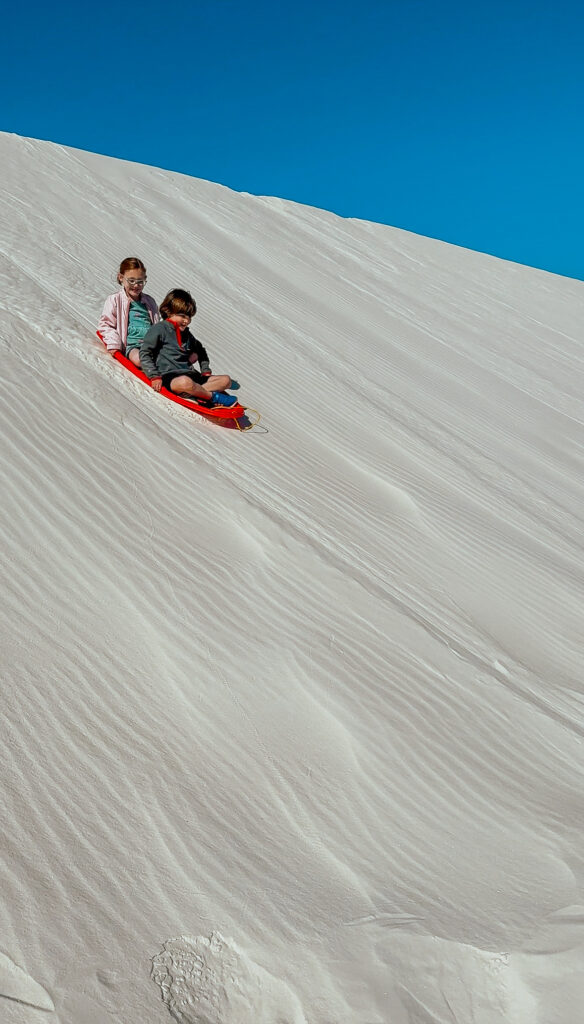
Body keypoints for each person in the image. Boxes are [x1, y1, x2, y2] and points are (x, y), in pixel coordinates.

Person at [140, 289, 237, 407]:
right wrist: (154, 376)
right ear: (168, 311)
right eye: (182, 316)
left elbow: (200, 350)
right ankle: (213, 397)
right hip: (169, 377)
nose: (187, 321)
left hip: (190, 375)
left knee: (226, 380)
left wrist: (205, 370)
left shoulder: (187, 334)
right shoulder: (159, 329)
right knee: (185, 382)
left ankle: (192, 393)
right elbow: (145, 352)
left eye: (189, 317)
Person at [98, 257, 160, 366]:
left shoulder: (149, 302)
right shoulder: (115, 299)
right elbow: (106, 324)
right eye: (131, 280)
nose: (136, 285)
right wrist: (114, 343)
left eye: (140, 282)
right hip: (133, 346)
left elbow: (157, 325)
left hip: (151, 346)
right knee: (141, 359)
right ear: (121, 278)